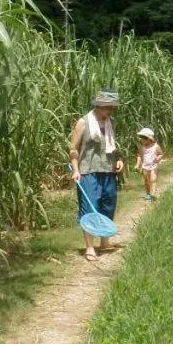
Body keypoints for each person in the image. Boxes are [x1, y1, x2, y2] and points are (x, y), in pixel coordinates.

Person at [70, 89, 124, 259]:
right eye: (107, 108)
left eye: (112, 108)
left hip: (108, 170)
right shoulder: (83, 123)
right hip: (88, 171)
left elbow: (113, 146)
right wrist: (76, 169)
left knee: (108, 204)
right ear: (99, 106)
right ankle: (89, 247)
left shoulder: (111, 122)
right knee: (89, 207)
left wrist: (119, 159)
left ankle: (104, 241)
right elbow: (73, 149)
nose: (109, 112)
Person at [134, 127, 163, 201]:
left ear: (148, 138)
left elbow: (161, 154)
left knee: (153, 179)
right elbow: (139, 156)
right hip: (145, 166)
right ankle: (148, 194)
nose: (141, 139)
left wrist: (158, 158)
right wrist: (138, 165)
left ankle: (153, 194)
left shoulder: (156, 146)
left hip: (153, 166)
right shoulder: (142, 148)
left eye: (142, 138)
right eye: (141, 138)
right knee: (146, 181)